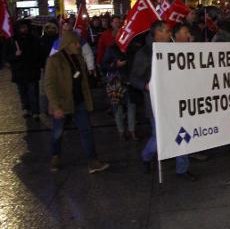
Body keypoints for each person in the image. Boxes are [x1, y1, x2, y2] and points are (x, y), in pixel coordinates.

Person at [130, 21, 196, 181]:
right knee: (160, 138)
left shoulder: (173, 49)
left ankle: (182, 168)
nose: (169, 33)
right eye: (166, 31)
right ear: (157, 33)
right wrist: (145, 86)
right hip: (156, 104)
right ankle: (146, 156)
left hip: (176, 101)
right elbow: (133, 78)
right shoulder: (145, 53)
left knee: (182, 133)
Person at [44, 31, 109, 174]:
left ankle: (92, 161)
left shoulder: (79, 58)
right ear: (67, 44)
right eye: (75, 43)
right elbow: (49, 85)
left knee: (86, 131)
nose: (78, 45)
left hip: (79, 102)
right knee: (57, 133)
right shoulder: (54, 60)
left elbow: (83, 81)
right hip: (62, 103)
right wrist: (55, 106)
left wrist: (88, 100)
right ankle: (55, 156)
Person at [4, 19, 42, 120]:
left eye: (24, 27)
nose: (23, 29)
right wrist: (15, 56)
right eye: (21, 28)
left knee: (33, 91)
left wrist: (36, 64)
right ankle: (26, 108)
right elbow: (6, 56)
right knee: (23, 91)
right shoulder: (12, 40)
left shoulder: (34, 39)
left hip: (32, 70)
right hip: (19, 71)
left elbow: (39, 53)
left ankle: (35, 111)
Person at [101, 41, 137, 140]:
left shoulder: (132, 47)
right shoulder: (112, 48)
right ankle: (121, 131)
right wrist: (116, 65)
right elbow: (104, 65)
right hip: (116, 83)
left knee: (132, 106)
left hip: (129, 81)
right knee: (118, 107)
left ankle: (131, 130)